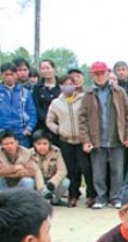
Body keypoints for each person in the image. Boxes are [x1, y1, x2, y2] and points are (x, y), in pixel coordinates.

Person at [79, 61, 128, 209]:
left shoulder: (119, 92)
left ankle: (116, 197)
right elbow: (82, 119)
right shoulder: (88, 94)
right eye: (96, 74)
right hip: (97, 140)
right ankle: (101, 198)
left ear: (108, 73)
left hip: (116, 138)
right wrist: (85, 140)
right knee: (98, 172)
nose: (100, 76)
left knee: (117, 171)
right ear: (92, 75)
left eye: (102, 73)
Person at [47, 75, 94, 207]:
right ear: (60, 86)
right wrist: (59, 130)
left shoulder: (83, 99)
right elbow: (49, 120)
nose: (68, 86)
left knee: (86, 168)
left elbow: (90, 117)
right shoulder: (56, 103)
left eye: (70, 83)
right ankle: (73, 194)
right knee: (70, 169)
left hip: (82, 139)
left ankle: (91, 194)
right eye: (64, 84)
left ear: (75, 85)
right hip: (66, 140)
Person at [0, 62, 36, 147]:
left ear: (16, 75)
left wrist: (29, 128)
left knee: (23, 159)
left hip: (21, 133)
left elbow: (32, 112)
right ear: (1, 75)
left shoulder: (25, 92)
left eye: (12, 74)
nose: (9, 77)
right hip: (2, 133)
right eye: (6, 75)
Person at [0, 130, 37, 194]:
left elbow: (31, 171)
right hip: (4, 183)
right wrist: (15, 168)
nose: (9, 146)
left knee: (28, 181)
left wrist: (7, 172)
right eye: (6, 144)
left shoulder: (26, 152)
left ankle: (24, 203)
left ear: (17, 142)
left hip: (20, 183)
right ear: (1, 145)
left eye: (11, 143)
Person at [30, 130, 69, 205]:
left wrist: (52, 183)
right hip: (37, 183)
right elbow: (34, 172)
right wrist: (42, 188)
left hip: (50, 180)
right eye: (38, 144)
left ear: (50, 143)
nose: (42, 146)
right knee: (29, 182)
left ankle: (55, 201)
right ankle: (36, 201)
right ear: (34, 144)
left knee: (66, 182)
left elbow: (62, 170)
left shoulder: (56, 151)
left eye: (45, 144)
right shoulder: (29, 153)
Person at [32, 59, 59, 136]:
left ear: (53, 69)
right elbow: (36, 106)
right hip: (42, 124)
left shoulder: (61, 85)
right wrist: (47, 120)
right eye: (42, 69)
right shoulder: (37, 87)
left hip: (59, 124)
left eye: (48, 68)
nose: (45, 71)